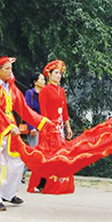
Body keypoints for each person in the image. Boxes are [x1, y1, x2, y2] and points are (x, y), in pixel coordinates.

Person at [0, 57, 51, 211]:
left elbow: (23, 108)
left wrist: (42, 122)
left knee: (17, 160)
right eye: (7, 69)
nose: (11, 72)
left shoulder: (11, 87)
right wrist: (9, 126)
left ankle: (8, 193)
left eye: (11, 68)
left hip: (10, 124)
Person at [28, 60, 75, 194]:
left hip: (59, 127)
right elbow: (44, 112)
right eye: (56, 73)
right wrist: (49, 126)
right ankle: (41, 182)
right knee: (47, 155)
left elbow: (64, 110)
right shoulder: (45, 91)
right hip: (49, 127)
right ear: (49, 75)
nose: (58, 75)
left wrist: (68, 127)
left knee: (60, 154)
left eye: (60, 73)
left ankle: (59, 182)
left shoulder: (61, 91)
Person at [22, 72, 44, 149]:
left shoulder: (45, 94)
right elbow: (27, 110)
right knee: (35, 150)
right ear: (35, 82)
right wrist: (31, 127)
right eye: (41, 79)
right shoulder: (30, 93)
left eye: (44, 79)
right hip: (34, 126)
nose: (44, 81)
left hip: (44, 126)